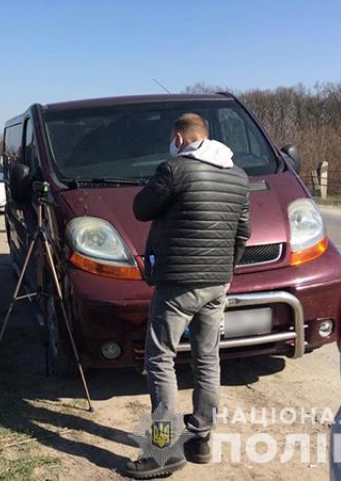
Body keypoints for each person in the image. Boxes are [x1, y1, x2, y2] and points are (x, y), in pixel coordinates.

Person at [124, 113, 250, 478]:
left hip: (178, 282)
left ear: (180, 138)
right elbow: (243, 232)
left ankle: (164, 448)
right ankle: (201, 438)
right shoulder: (238, 176)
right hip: (217, 281)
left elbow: (141, 208)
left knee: (160, 359)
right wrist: (225, 270)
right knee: (207, 358)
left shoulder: (174, 169)